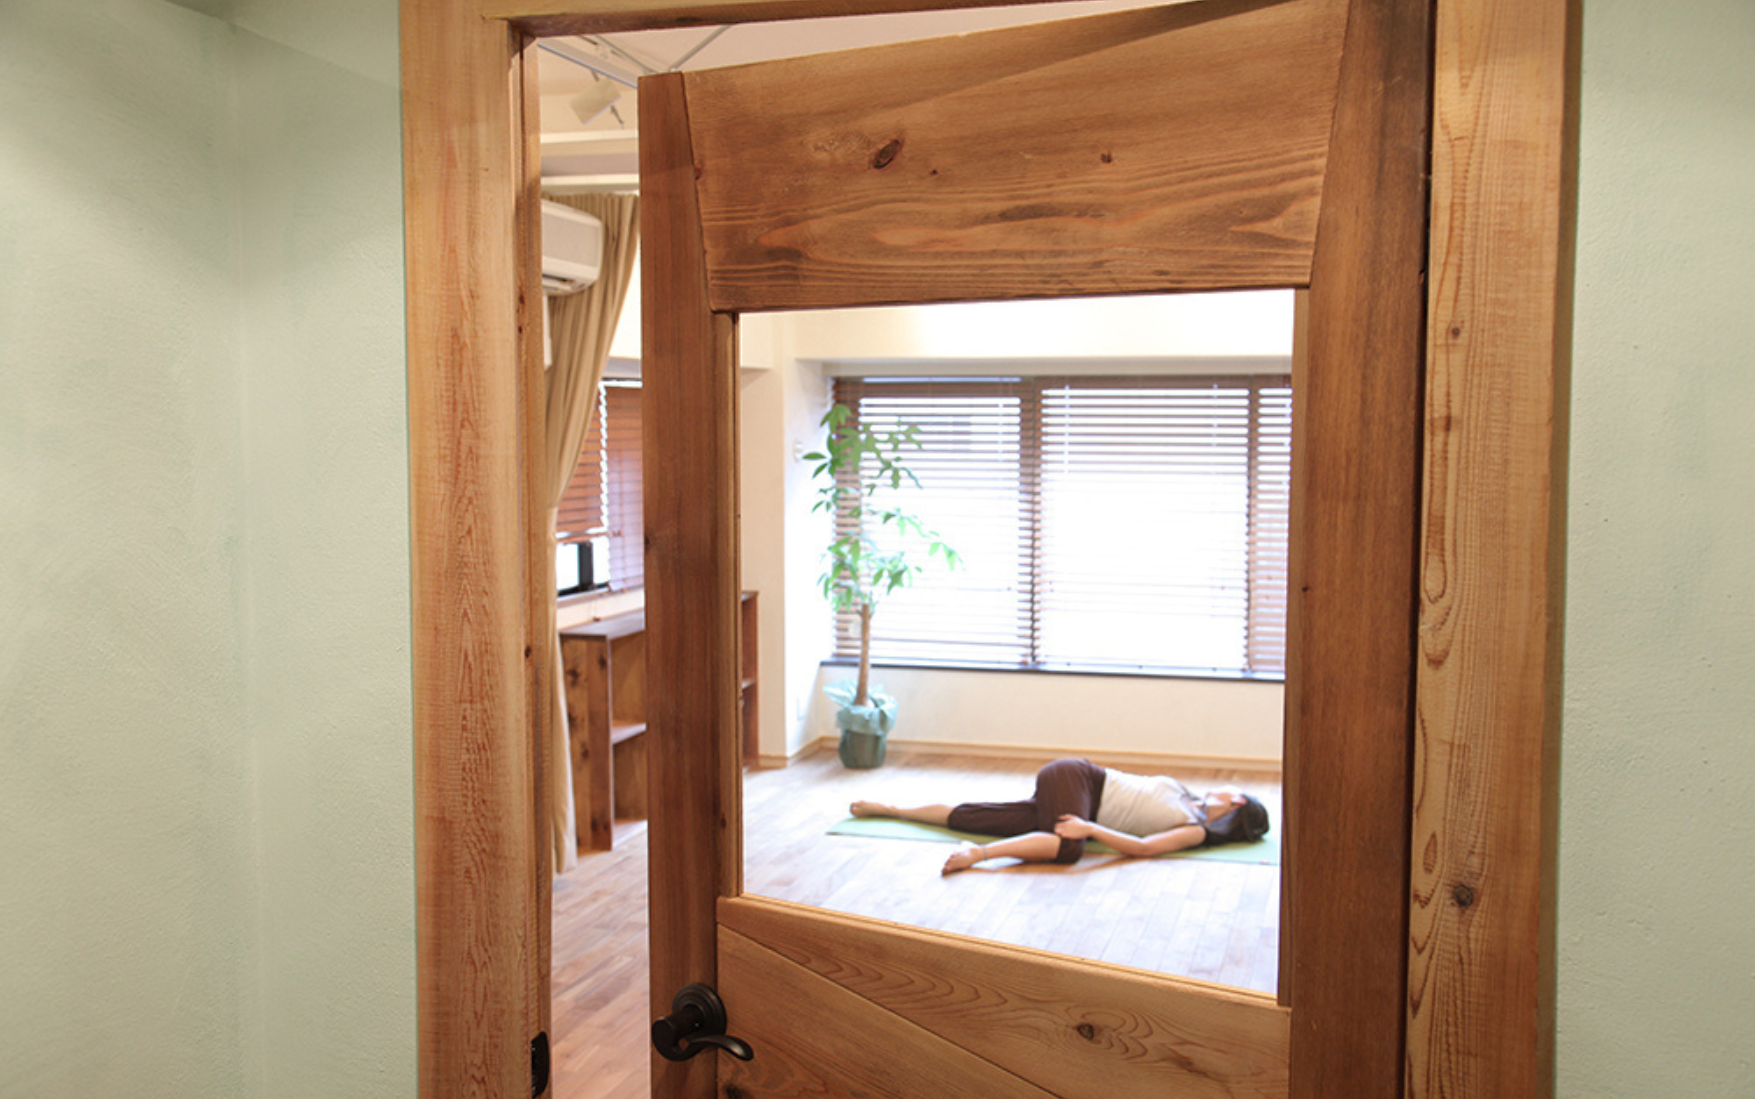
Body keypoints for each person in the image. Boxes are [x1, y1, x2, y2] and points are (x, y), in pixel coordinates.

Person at [849, 757, 1271, 875]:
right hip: (1078, 778)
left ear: (1236, 804)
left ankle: (891, 810)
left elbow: (1143, 848)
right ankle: (977, 855)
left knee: (979, 817)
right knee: (1069, 849)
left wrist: (1091, 826)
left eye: (1231, 792)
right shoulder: (1183, 793)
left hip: (1079, 803)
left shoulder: (1195, 830)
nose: (1222, 789)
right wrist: (1084, 829)